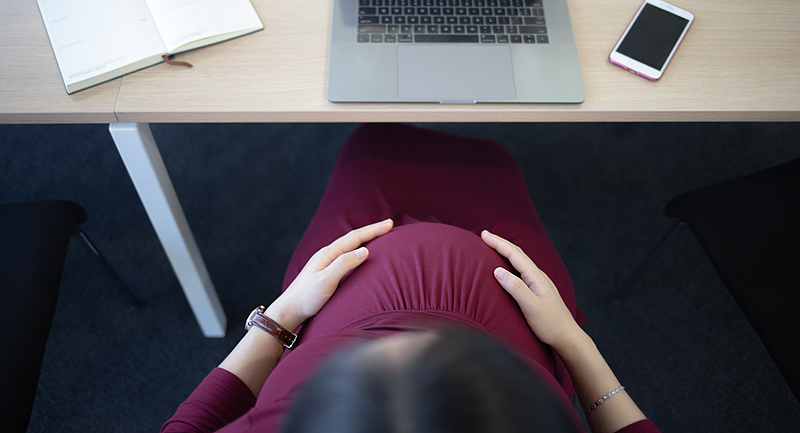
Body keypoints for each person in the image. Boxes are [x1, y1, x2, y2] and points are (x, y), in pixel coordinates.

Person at [162, 124, 659, 433]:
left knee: (375, 141)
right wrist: (573, 340)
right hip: (530, 315)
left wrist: (283, 314)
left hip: (328, 290)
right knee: (490, 163)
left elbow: (194, 424)